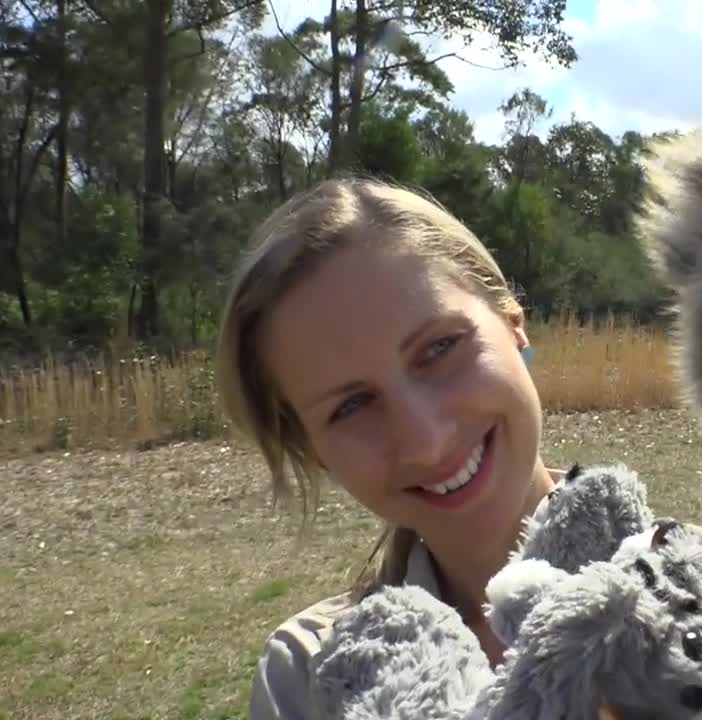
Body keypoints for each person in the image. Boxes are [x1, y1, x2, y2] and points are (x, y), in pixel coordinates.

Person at [215, 176, 572, 719]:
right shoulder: (309, 679)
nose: (427, 442)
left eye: (439, 348)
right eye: (351, 406)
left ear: (512, 323)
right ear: (313, 450)